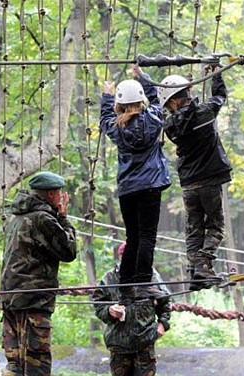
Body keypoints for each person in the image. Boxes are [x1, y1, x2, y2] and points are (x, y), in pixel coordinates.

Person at [100, 65, 171, 303]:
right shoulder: (153, 119)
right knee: (147, 236)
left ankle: (126, 285)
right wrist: (142, 77)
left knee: (133, 237)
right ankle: (143, 283)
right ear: (141, 99)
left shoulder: (117, 127)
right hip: (150, 185)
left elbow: (104, 119)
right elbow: (157, 99)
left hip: (128, 188)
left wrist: (107, 95)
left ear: (119, 104)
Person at [157, 68, 232, 290]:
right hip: (209, 181)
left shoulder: (170, 127)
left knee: (194, 228)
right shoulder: (206, 113)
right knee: (216, 226)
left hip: (189, 184)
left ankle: (194, 275)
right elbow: (220, 97)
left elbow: (181, 117)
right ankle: (203, 265)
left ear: (172, 102)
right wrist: (216, 74)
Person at [0, 171, 77, 376]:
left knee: (15, 365)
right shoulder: (42, 218)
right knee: (36, 364)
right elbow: (68, 251)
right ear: (51, 194)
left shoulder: (14, 218)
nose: (61, 197)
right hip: (33, 300)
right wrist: (63, 218)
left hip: (10, 298)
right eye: (59, 192)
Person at [92, 242, 172, 376]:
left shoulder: (150, 276)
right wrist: (109, 310)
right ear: (121, 256)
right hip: (118, 344)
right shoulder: (110, 278)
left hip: (145, 341)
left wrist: (163, 325)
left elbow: (166, 301)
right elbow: (98, 304)